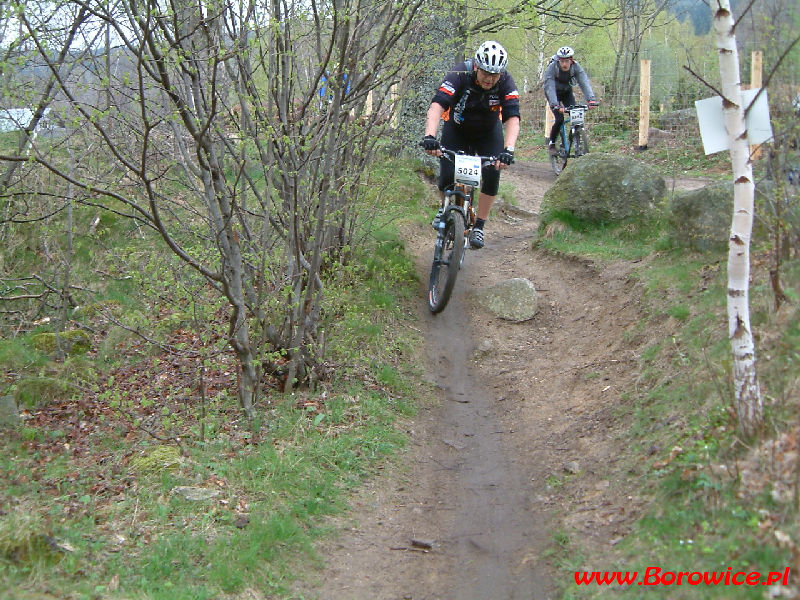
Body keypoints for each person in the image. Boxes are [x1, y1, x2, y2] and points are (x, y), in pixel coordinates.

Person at [422, 40, 520, 249]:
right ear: (476, 67)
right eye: (485, 73)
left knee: (493, 173)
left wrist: (509, 149)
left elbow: (513, 117)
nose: (489, 79)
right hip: (457, 129)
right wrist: (430, 136)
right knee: (447, 174)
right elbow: (438, 105)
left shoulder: (506, 82)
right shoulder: (459, 74)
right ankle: (444, 206)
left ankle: (480, 227)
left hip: (488, 133)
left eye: (495, 75)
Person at [543, 46, 598, 156]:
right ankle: (552, 143)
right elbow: (549, 87)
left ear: (571, 60)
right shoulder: (553, 68)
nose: (564, 64)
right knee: (559, 119)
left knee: (576, 116)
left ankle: (576, 137)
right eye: (562, 61)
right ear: (559, 60)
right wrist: (555, 105)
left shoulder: (576, 67)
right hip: (553, 94)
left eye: (567, 61)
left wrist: (591, 100)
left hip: (567, 92)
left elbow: (584, 82)